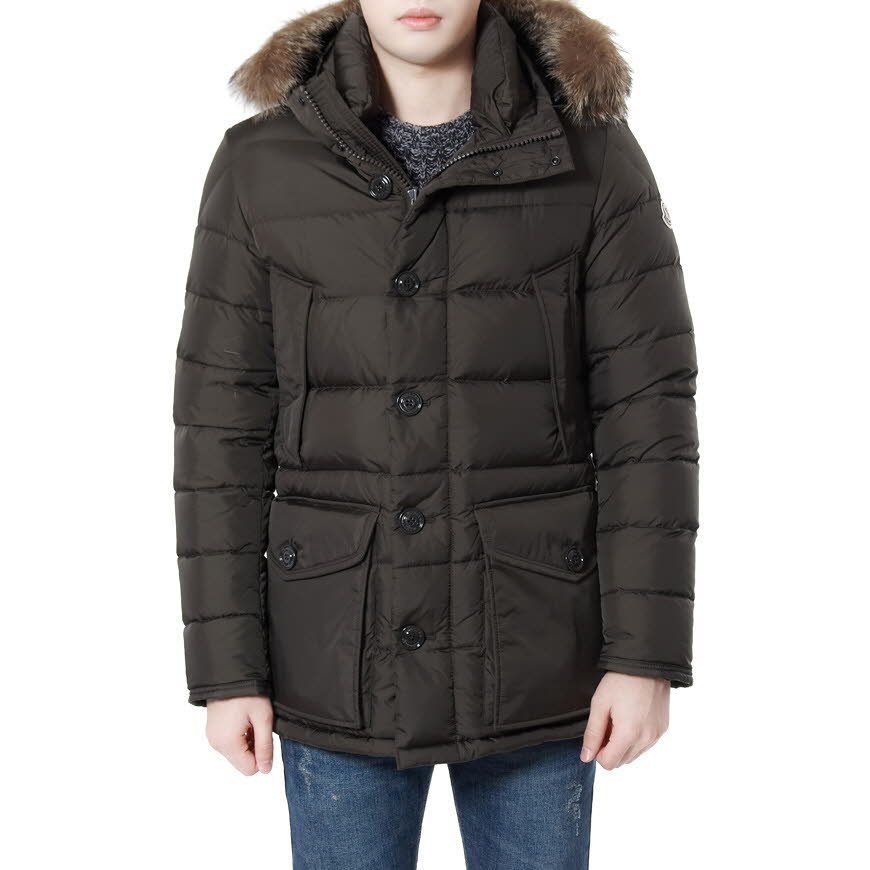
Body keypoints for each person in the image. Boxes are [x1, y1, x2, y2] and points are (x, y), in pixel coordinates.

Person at [172, 1, 699, 867]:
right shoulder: (261, 164)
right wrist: (228, 670)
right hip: (337, 653)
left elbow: (648, 414)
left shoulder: (590, 154)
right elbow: (219, 426)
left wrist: (644, 657)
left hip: (533, 654)